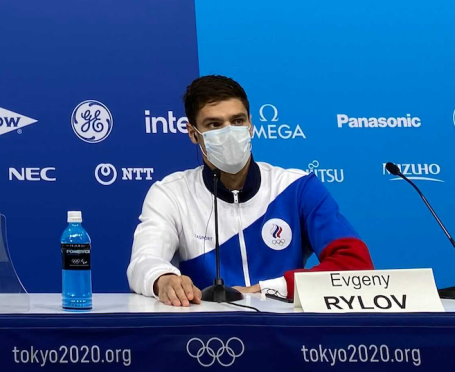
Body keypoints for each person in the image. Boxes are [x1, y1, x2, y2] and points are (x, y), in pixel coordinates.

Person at [128, 75, 372, 306]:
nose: (229, 132)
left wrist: (266, 289)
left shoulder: (297, 188)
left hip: (289, 332)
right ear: (193, 133)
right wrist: (163, 279)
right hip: (206, 334)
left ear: (251, 125)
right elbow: (143, 262)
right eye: (214, 124)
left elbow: (355, 265)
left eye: (237, 121)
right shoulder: (171, 193)